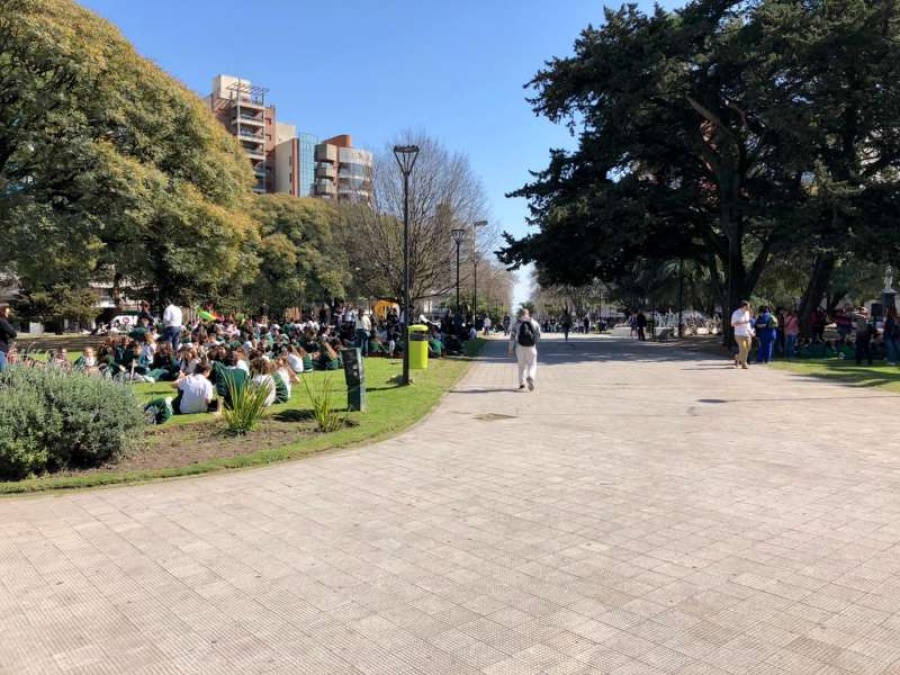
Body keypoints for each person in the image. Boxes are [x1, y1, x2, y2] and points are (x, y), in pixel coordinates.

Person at [508, 308, 541, 391]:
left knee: (521, 366)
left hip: (520, 347)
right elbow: (539, 335)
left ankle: (521, 383)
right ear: (528, 314)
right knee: (532, 364)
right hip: (531, 347)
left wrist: (510, 348)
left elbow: (512, 336)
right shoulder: (534, 322)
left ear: (520, 314)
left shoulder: (517, 323)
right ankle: (530, 376)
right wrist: (534, 341)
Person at [731, 300, 754, 369]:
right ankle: (744, 363)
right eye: (748, 306)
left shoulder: (747, 313)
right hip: (739, 334)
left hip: (747, 334)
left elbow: (748, 324)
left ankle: (737, 357)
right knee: (743, 349)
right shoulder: (736, 313)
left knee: (748, 349)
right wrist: (742, 322)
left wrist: (751, 332)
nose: (749, 308)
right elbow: (732, 324)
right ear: (744, 306)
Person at [0, 305, 16, 372]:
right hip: (1, 348)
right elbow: (13, 333)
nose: (8, 313)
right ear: (2, 311)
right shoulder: (2, 321)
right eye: (7, 311)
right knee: (4, 372)